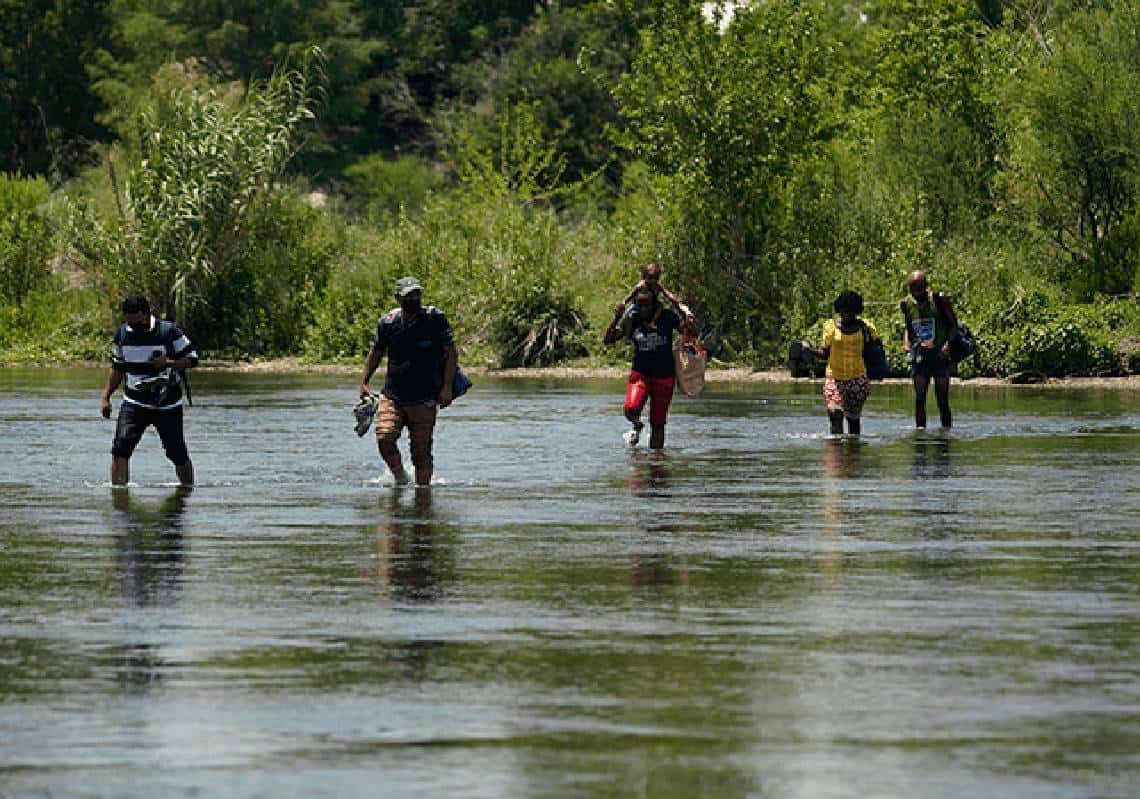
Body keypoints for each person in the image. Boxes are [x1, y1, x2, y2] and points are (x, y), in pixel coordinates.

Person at [359, 276, 458, 486]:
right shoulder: (388, 323)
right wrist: (364, 382)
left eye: (417, 294)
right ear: (398, 298)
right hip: (393, 395)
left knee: (421, 452)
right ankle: (401, 478)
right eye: (408, 295)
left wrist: (447, 388)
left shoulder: (434, 319)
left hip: (425, 398)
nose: (414, 298)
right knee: (384, 438)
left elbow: (451, 353)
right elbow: (376, 352)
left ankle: (423, 495)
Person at [99, 296, 198, 487]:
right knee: (121, 447)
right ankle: (119, 497)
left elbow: (192, 359)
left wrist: (168, 363)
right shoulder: (122, 335)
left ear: (146, 315)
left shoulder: (169, 332)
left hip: (167, 403)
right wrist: (105, 397)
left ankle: (187, 492)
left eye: (137, 322)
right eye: (129, 322)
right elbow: (118, 368)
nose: (133, 327)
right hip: (134, 402)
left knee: (176, 452)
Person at [603, 283, 696, 449]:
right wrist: (617, 317)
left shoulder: (668, 317)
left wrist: (684, 314)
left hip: (665, 376)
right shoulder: (633, 318)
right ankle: (637, 425)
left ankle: (656, 464)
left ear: (654, 304)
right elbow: (608, 340)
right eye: (639, 305)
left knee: (658, 423)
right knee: (630, 409)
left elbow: (692, 332)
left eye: (646, 305)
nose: (643, 309)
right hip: (641, 374)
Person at [812, 291, 876, 436]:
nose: (847, 314)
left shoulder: (865, 328)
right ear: (839, 310)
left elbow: (871, 351)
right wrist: (809, 350)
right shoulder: (831, 328)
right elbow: (825, 353)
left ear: (857, 311)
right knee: (835, 414)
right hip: (834, 378)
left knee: (853, 421)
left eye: (851, 311)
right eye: (844, 311)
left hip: (858, 380)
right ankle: (836, 453)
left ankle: (853, 454)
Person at [899, 270, 958, 429]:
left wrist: (946, 346)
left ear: (926, 286)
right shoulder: (906, 304)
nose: (917, 293)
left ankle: (946, 433)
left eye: (920, 288)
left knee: (942, 400)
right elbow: (908, 326)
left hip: (940, 357)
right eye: (913, 289)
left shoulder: (940, 300)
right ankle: (920, 436)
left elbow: (953, 325)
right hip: (921, 357)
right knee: (919, 399)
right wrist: (907, 344)